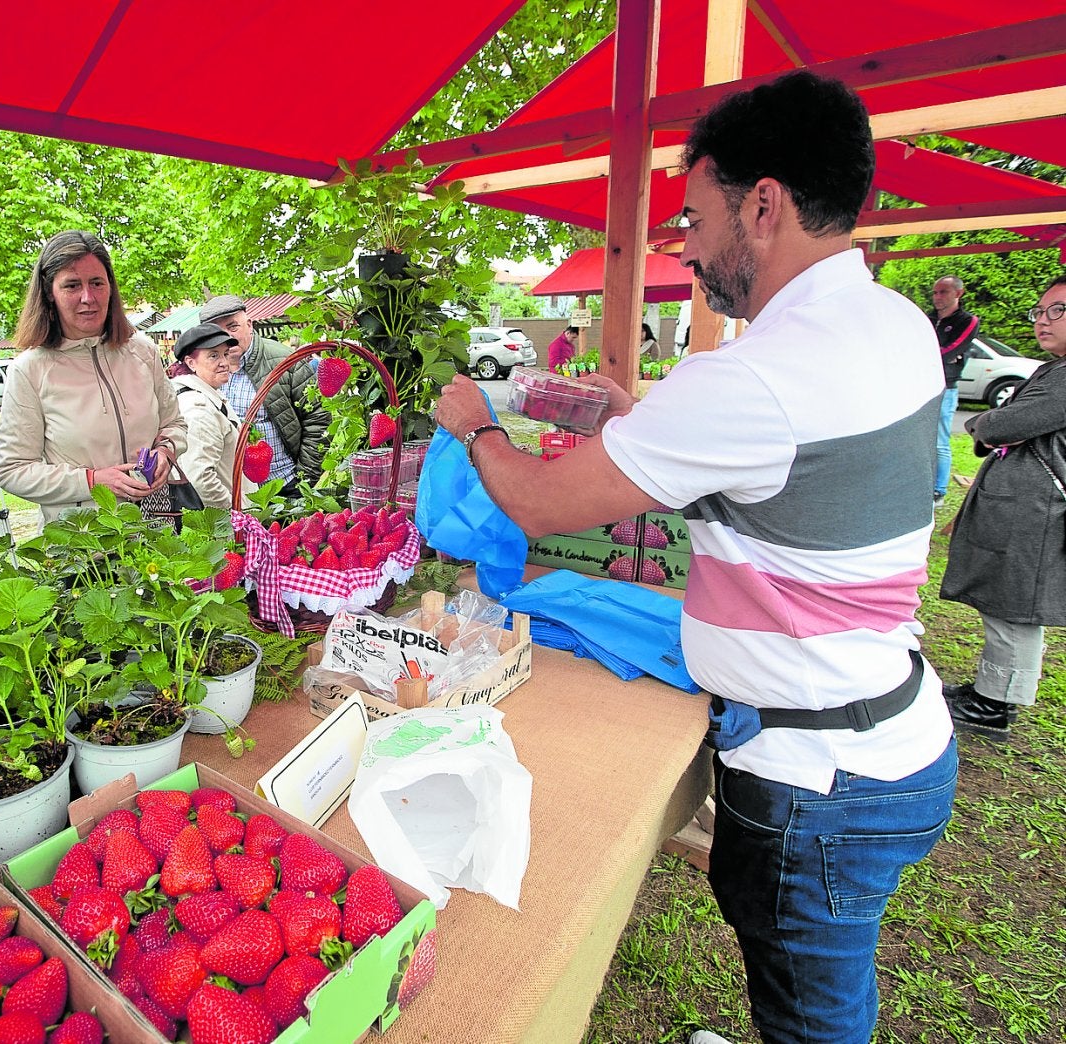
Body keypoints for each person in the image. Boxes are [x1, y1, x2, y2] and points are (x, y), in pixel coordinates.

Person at [434, 71, 956, 1044]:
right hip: (883, 726)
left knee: (811, 1010)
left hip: (818, 773)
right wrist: (644, 422)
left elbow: (540, 501)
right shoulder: (892, 325)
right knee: (807, 975)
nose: (683, 244)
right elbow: (789, 478)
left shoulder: (755, 378)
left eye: (691, 216)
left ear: (761, 205)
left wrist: (472, 427)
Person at [938, 274, 1066, 737]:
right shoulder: (1056, 368)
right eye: (1041, 310)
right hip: (1025, 506)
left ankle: (996, 703)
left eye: (1059, 310)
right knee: (1005, 604)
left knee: (1016, 606)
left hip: (1038, 511)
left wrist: (988, 423)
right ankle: (991, 691)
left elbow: (1009, 422)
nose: (1044, 321)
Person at [0, 230, 187, 528]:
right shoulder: (29, 370)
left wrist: (166, 452)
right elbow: (11, 470)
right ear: (49, 294)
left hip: (157, 533)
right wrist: (92, 481)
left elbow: (174, 425)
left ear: (111, 287)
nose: (88, 298)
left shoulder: (143, 352)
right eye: (72, 285)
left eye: (97, 283)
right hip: (85, 548)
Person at [200, 295, 326, 493]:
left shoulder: (284, 361)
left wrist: (305, 481)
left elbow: (318, 419)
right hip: (232, 492)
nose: (226, 337)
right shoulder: (201, 371)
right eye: (216, 331)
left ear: (249, 325)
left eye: (233, 327)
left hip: (285, 485)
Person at [168, 322, 254, 509]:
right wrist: (236, 515)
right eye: (213, 356)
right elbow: (201, 479)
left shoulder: (208, 394)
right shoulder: (198, 410)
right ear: (191, 363)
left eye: (225, 354)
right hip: (228, 528)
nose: (223, 362)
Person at [928, 275, 980, 506]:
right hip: (922, 383)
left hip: (945, 387)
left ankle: (939, 490)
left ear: (958, 293)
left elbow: (951, 351)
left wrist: (928, 355)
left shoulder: (967, 321)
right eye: (935, 292)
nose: (938, 297)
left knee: (940, 441)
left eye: (943, 292)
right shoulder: (926, 318)